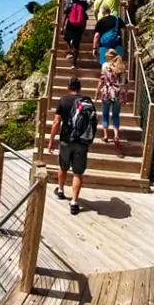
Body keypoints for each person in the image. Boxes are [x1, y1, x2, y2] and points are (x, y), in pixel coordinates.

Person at [46, 76, 97, 215]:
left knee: (63, 167)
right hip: (81, 141)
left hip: (66, 140)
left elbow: (56, 122)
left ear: (68, 88)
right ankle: (74, 202)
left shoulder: (63, 101)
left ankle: (61, 190)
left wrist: (51, 141)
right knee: (78, 173)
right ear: (80, 88)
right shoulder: (87, 101)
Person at [95, 49, 128, 156]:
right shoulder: (122, 67)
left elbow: (102, 79)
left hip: (107, 92)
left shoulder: (105, 66)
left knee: (105, 114)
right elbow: (125, 84)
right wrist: (125, 95)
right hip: (118, 94)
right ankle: (116, 135)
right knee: (115, 116)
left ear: (109, 57)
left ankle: (105, 135)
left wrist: (97, 92)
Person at [62, 0, 91, 68]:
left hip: (70, 26)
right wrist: (83, 29)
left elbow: (65, 17)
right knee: (76, 45)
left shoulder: (70, 7)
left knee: (66, 39)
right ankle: (74, 64)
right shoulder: (81, 8)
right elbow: (85, 18)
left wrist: (62, 27)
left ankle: (70, 50)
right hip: (79, 27)